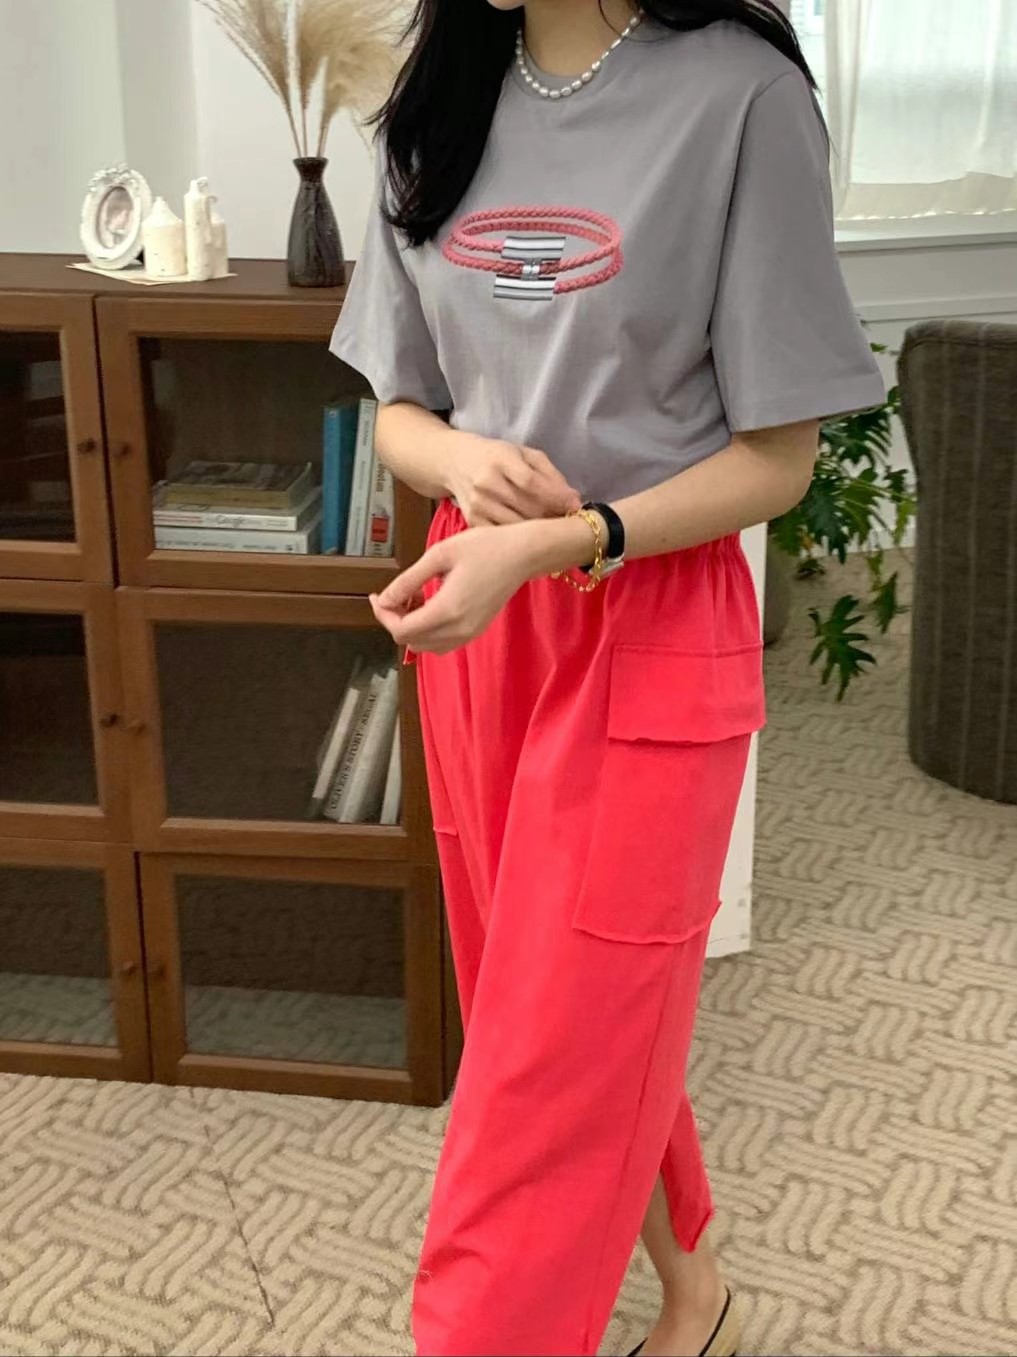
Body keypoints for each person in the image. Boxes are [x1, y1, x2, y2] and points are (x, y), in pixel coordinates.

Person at [330, 2, 886, 1353]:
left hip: (643, 612)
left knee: (549, 1058)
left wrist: (566, 538)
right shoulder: (438, 98)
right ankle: (697, 1289)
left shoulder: (741, 98)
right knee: (545, 1012)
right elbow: (396, 407)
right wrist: (461, 464)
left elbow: (779, 460)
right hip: (483, 625)